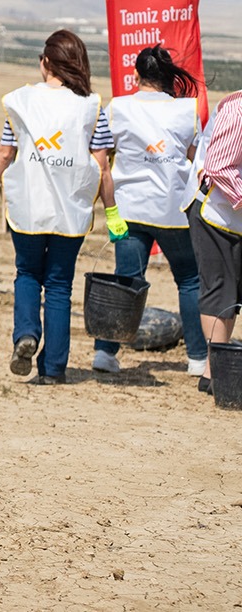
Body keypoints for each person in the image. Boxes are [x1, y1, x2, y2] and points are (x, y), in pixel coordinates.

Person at [0, 30, 123, 385]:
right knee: (59, 285)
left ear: (46, 62)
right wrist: (112, 213)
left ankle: (26, 334)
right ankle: (54, 369)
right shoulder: (91, 106)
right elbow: (102, 167)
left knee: (27, 274)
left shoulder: (21, 101)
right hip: (70, 212)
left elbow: (5, 153)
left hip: (28, 207)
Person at [98, 46, 204, 376]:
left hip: (130, 208)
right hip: (175, 211)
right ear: (167, 76)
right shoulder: (186, 110)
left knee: (127, 280)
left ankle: (105, 352)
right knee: (190, 280)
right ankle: (198, 359)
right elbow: (195, 159)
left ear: (136, 74)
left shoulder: (118, 108)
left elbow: (103, 155)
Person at [186, 89, 242, 395]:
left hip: (236, 217)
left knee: (233, 292)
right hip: (216, 214)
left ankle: (216, 370)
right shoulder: (237, 111)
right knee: (220, 288)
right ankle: (214, 372)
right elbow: (219, 167)